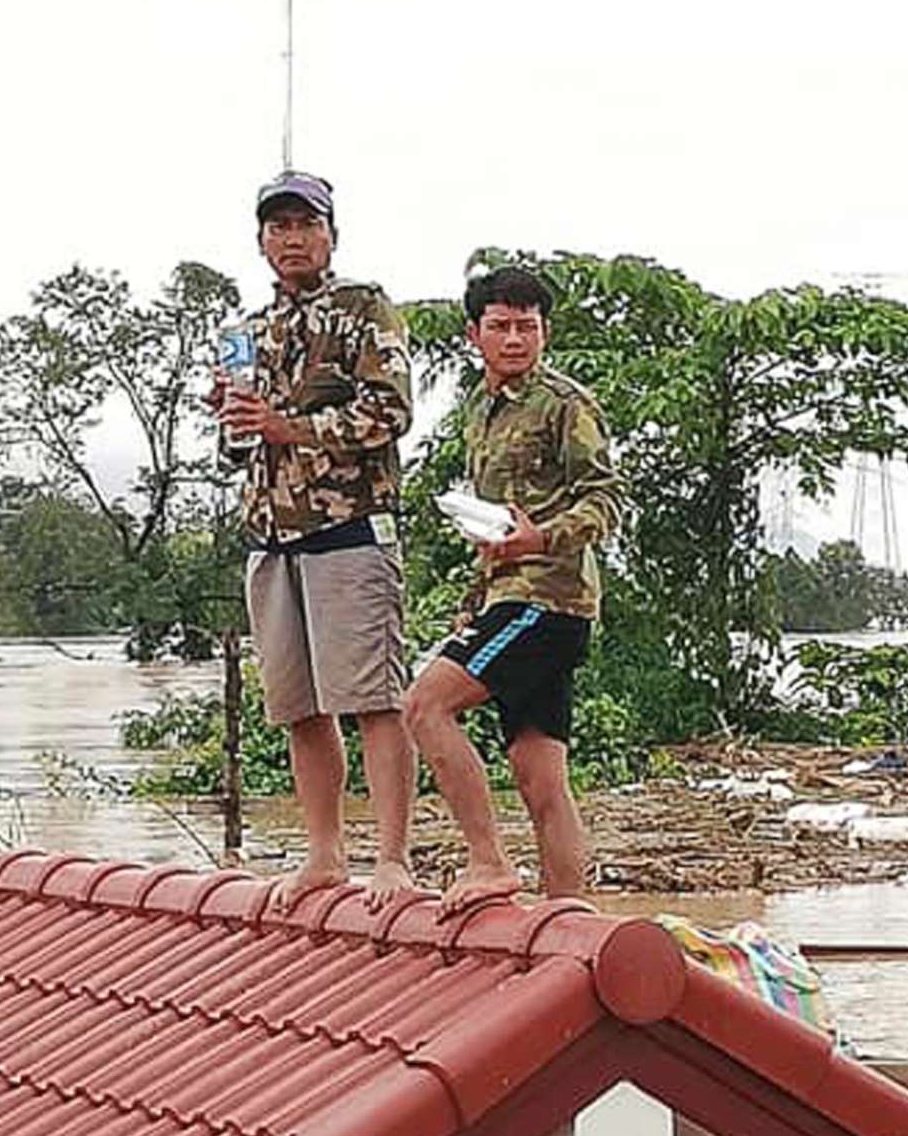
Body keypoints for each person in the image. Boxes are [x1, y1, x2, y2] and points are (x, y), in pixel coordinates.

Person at [217, 171, 419, 910]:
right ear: (262, 240)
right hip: (270, 536)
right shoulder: (249, 331)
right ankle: (325, 854)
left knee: (373, 699)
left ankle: (393, 858)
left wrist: (288, 426)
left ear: (331, 232)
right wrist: (235, 419)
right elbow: (238, 449)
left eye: (305, 224)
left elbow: (391, 413)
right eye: (278, 227)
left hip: (349, 528)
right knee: (299, 707)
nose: (292, 238)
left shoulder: (365, 309)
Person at [403, 266, 626, 910]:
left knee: (425, 707)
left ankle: (489, 862)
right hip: (506, 598)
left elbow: (606, 499)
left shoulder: (566, 404)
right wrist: (470, 606)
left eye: (527, 327)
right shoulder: (480, 412)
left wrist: (539, 539)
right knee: (540, 778)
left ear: (544, 332)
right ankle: (567, 918)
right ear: (474, 334)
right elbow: (493, 524)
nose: (514, 339)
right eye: (500, 326)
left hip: (547, 601)